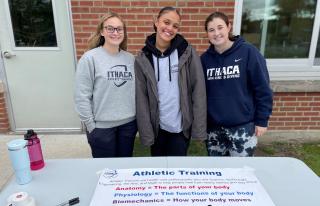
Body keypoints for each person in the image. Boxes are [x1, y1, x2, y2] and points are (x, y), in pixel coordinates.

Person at [135, 6, 206, 156]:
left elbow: (198, 90)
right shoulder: (143, 57)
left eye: (175, 26)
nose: (170, 28)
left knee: (177, 172)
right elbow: (141, 98)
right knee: (159, 171)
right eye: (166, 22)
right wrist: (147, 133)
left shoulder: (187, 52)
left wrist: (198, 130)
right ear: (156, 22)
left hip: (180, 127)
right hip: (157, 128)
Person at [201, 11, 273, 157]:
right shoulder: (204, 60)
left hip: (243, 127)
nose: (216, 33)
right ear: (207, 34)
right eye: (211, 30)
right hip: (214, 129)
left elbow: (263, 89)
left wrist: (262, 120)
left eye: (220, 27)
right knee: (217, 174)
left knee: (241, 174)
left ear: (228, 27)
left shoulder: (248, 52)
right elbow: (201, 94)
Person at [74, 12, 137, 158]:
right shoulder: (90, 58)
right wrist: (91, 126)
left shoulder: (130, 59)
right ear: (102, 31)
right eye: (110, 28)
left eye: (119, 29)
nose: (115, 32)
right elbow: (81, 96)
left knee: (123, 170)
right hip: (101, 128)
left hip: (128, 126)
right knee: (105, 172)